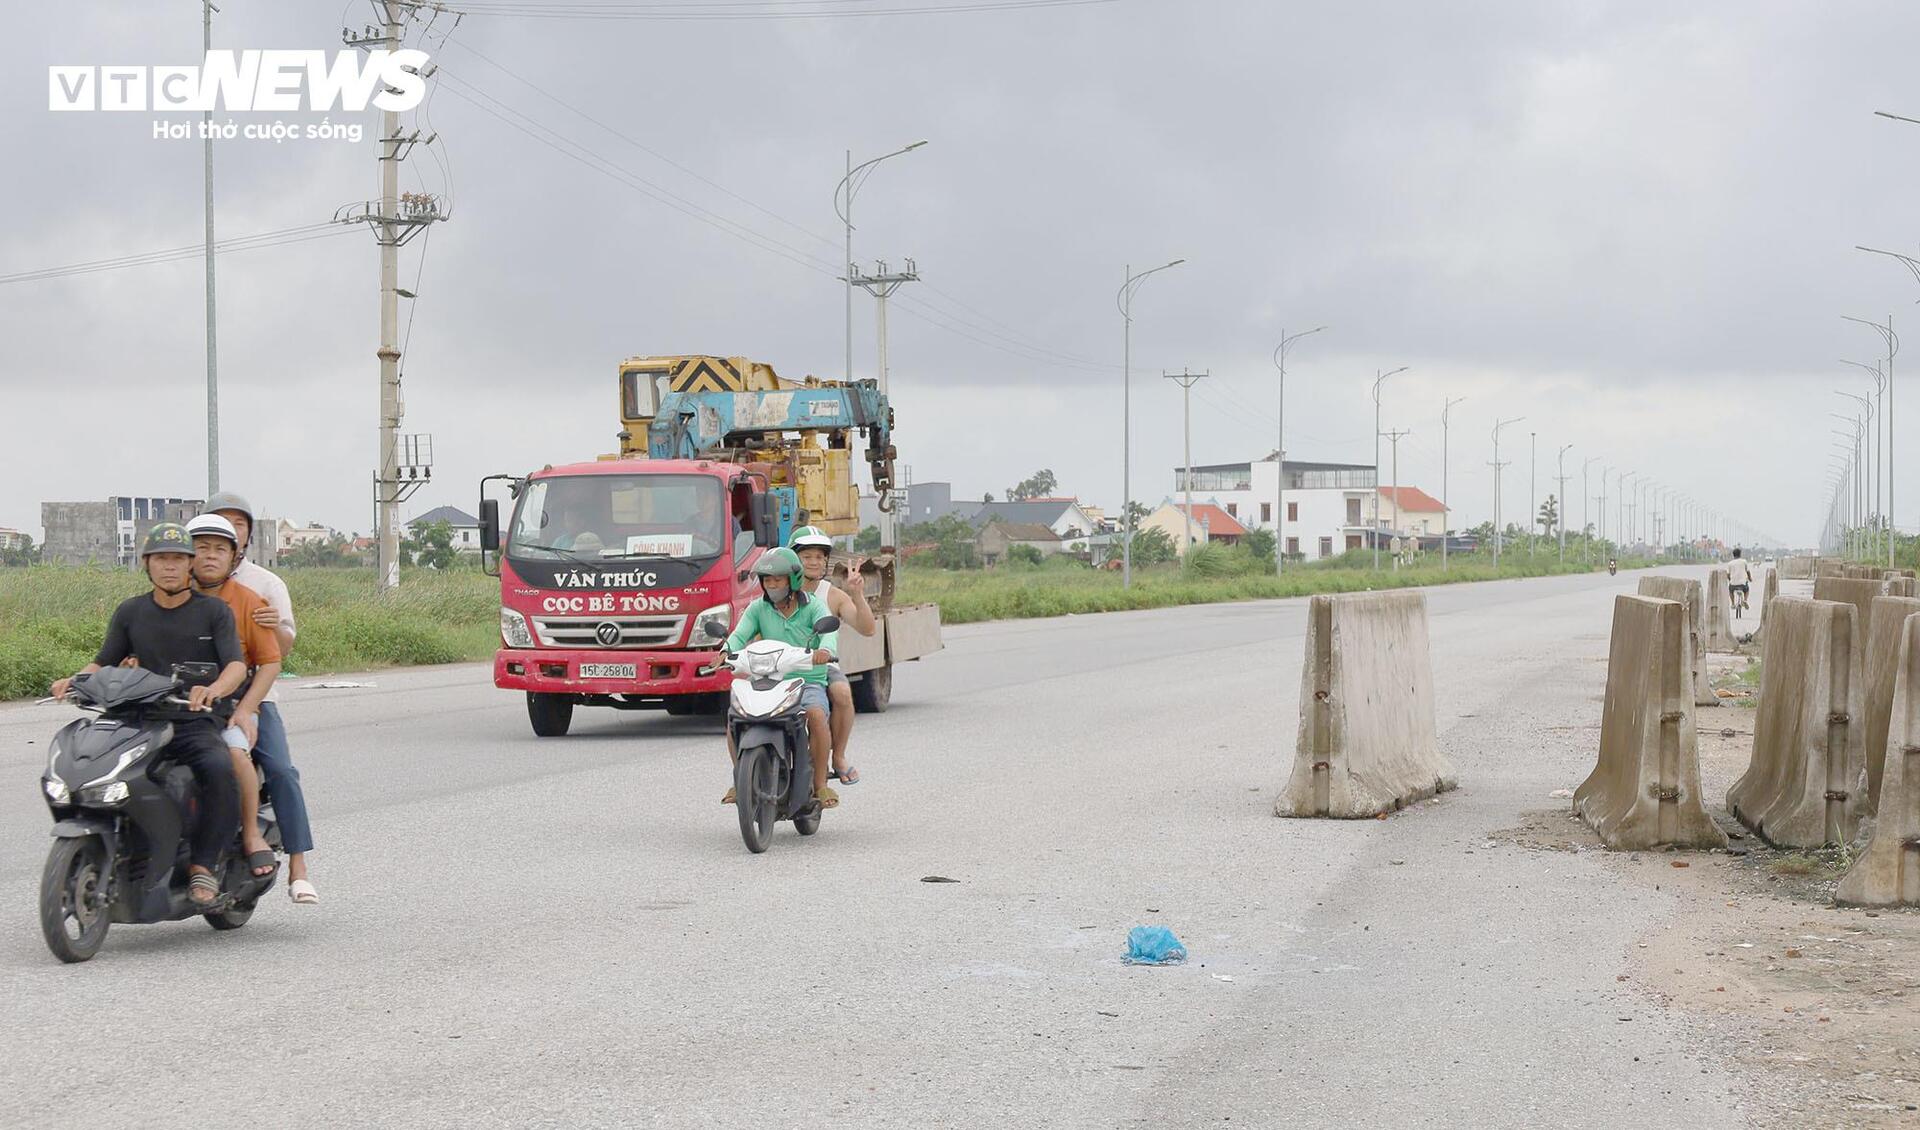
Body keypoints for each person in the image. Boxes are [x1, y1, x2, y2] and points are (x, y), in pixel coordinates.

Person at [50, 523, 247, 909]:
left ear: (190, 565)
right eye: (161, 559)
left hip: (193, 720)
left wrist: (214, 690)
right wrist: (73, 680)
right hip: (137, 719)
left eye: (178, 559)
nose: (169, 567)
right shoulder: (131, 611)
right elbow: (103, 661)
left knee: (218, 768)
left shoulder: (214, 611)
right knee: (94, 762)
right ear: (146, 564)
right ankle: (128, 846)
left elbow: (236, 666)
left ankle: (203, 864)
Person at [205, 491, 321, 906]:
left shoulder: (265, 585)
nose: (229, 532)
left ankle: (298, 865)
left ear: (247, 536)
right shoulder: (185, 577)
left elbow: (282, 649)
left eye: (238, 525)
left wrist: (274, 627)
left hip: (255, 692)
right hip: (194, 695)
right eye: (220, 523)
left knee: (281, 769)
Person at [187, 514, 283, 881]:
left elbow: (270, 664)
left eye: (219, 550)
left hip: (230, 705)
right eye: (200, 548)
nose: (209, 557)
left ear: (234, 558)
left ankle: (252, 832)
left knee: (235, 752)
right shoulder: (171, 600)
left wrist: (246, 709)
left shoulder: (249, 602)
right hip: (176, 706)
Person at [718, 547, 840, 809]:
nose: (772, 585)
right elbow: (739, 635)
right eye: (767, 580)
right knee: (734, 719)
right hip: (768, 680)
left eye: (778, 580)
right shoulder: (757, 609)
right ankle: (740, 777)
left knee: (817, 715)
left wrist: (825, 651)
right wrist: (725, 652)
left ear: (793, 579)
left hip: (807, 680)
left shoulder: (813, 606)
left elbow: (828, 630)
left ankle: (820, 784)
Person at [789, 525, 876, 785]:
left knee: (841, 693)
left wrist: (857, 595)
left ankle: (837, 756)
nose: (814, 562)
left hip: (822, 666)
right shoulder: (779, 589)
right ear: (793, 559)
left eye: (819, 556)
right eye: (807, 556)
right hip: (783, 665)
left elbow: (867, 628)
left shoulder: (833, 595)